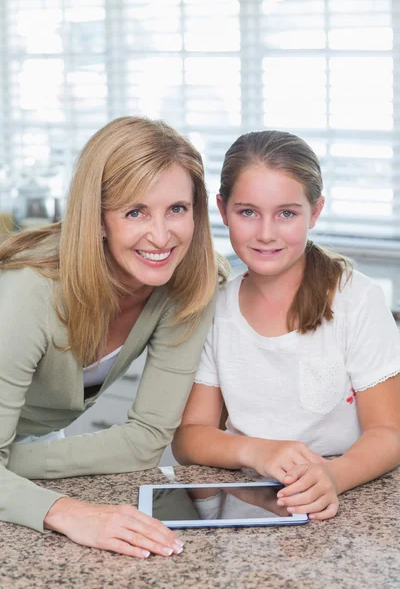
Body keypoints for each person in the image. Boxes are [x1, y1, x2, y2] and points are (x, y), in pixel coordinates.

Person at [0, 116, 228, 558]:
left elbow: (146, 439)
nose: (161, 236)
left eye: (177, 209)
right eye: (135, 211)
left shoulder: (192, 283)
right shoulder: (30, 293)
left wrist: (12, 467)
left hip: (24, 453)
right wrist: (68, 511)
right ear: (98, 218)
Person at [172, 130, 400, 520]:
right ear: (223, 209)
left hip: (342, 496)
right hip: (247, 501)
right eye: (248, 212)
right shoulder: (216, 309)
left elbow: (390, 433)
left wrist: (333, 475)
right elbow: (190, 437)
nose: (265, 233)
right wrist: (257, 450)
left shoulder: (356, 300)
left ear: (315, 211)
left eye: (287, 213)